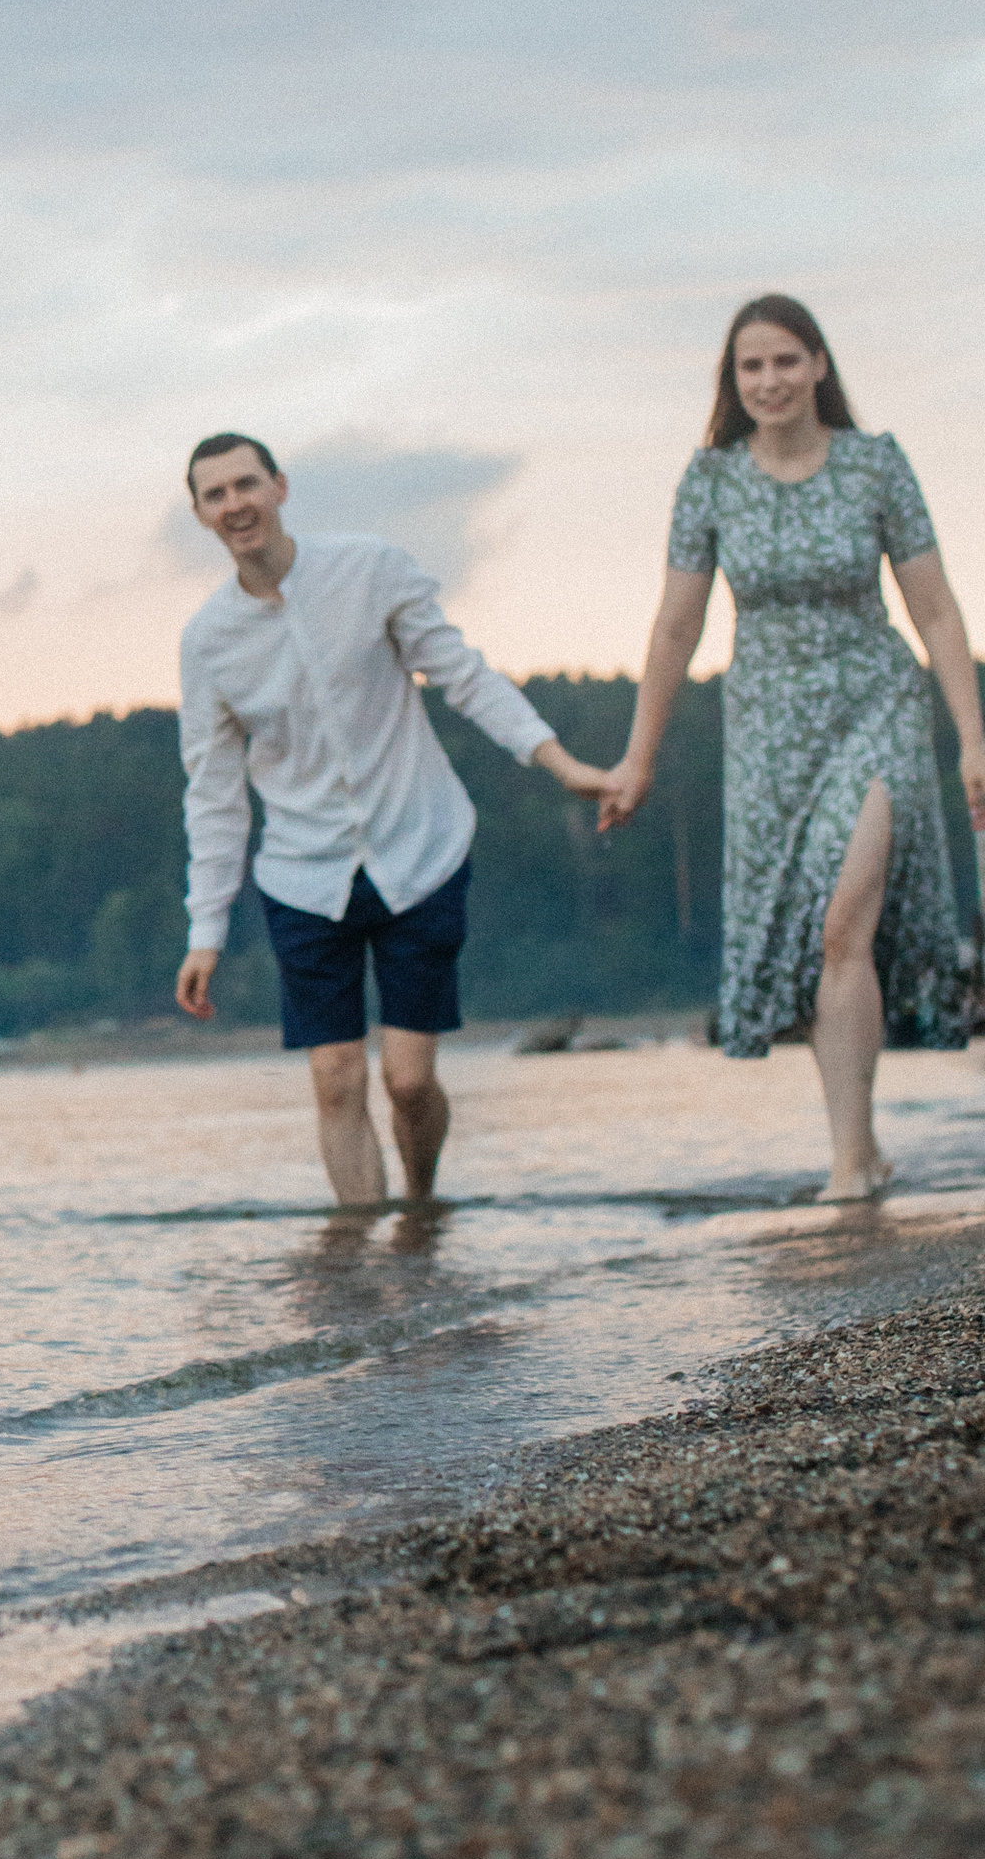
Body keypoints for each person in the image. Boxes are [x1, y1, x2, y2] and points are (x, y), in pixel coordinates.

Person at [597, 296, 981, 1199]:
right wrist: (639, 759)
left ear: (818, 365)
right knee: (821, 936)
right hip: (769, 728)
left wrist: (971, 737)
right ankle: (862, 1148)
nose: (768, 381)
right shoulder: (711, 481)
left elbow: (935, 608)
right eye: (749, 367)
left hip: (876, 705)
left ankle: (849, 1164)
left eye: (784, 361)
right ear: (733, 384)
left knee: (847, 914)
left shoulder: (876, 466)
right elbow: (674, 628)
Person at [174, 433, 611, 1204]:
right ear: (201, 513)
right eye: (216, 494)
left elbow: (463, 677)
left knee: (408, 1082)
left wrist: (560, 762)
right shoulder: (209, 641)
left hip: (421, 850)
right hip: (304, 877)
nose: (235, 504)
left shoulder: (370, 569)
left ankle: (420, 1209)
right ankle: (361, 1268)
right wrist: (204, 931)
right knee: (334, 1079)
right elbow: (212, 792)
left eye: (246, 484)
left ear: (279, 487)